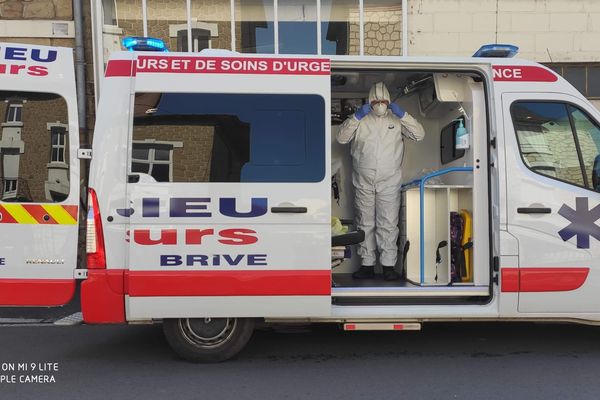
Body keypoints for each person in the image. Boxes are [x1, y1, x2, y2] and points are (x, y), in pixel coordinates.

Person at [337, 82, 425, 280]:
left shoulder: (397, 119)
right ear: (369, 101)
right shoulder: (360, 120)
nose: (380, 104)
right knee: (365, 223)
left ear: (389, 102)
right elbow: (341, 138)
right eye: (376, 101)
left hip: (389, 181)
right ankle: (367, 265)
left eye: (384, 101)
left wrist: (403, 115)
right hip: (363, 180)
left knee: (388, 223)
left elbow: (419, 134)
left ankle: (388, 266)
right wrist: (356, 117)